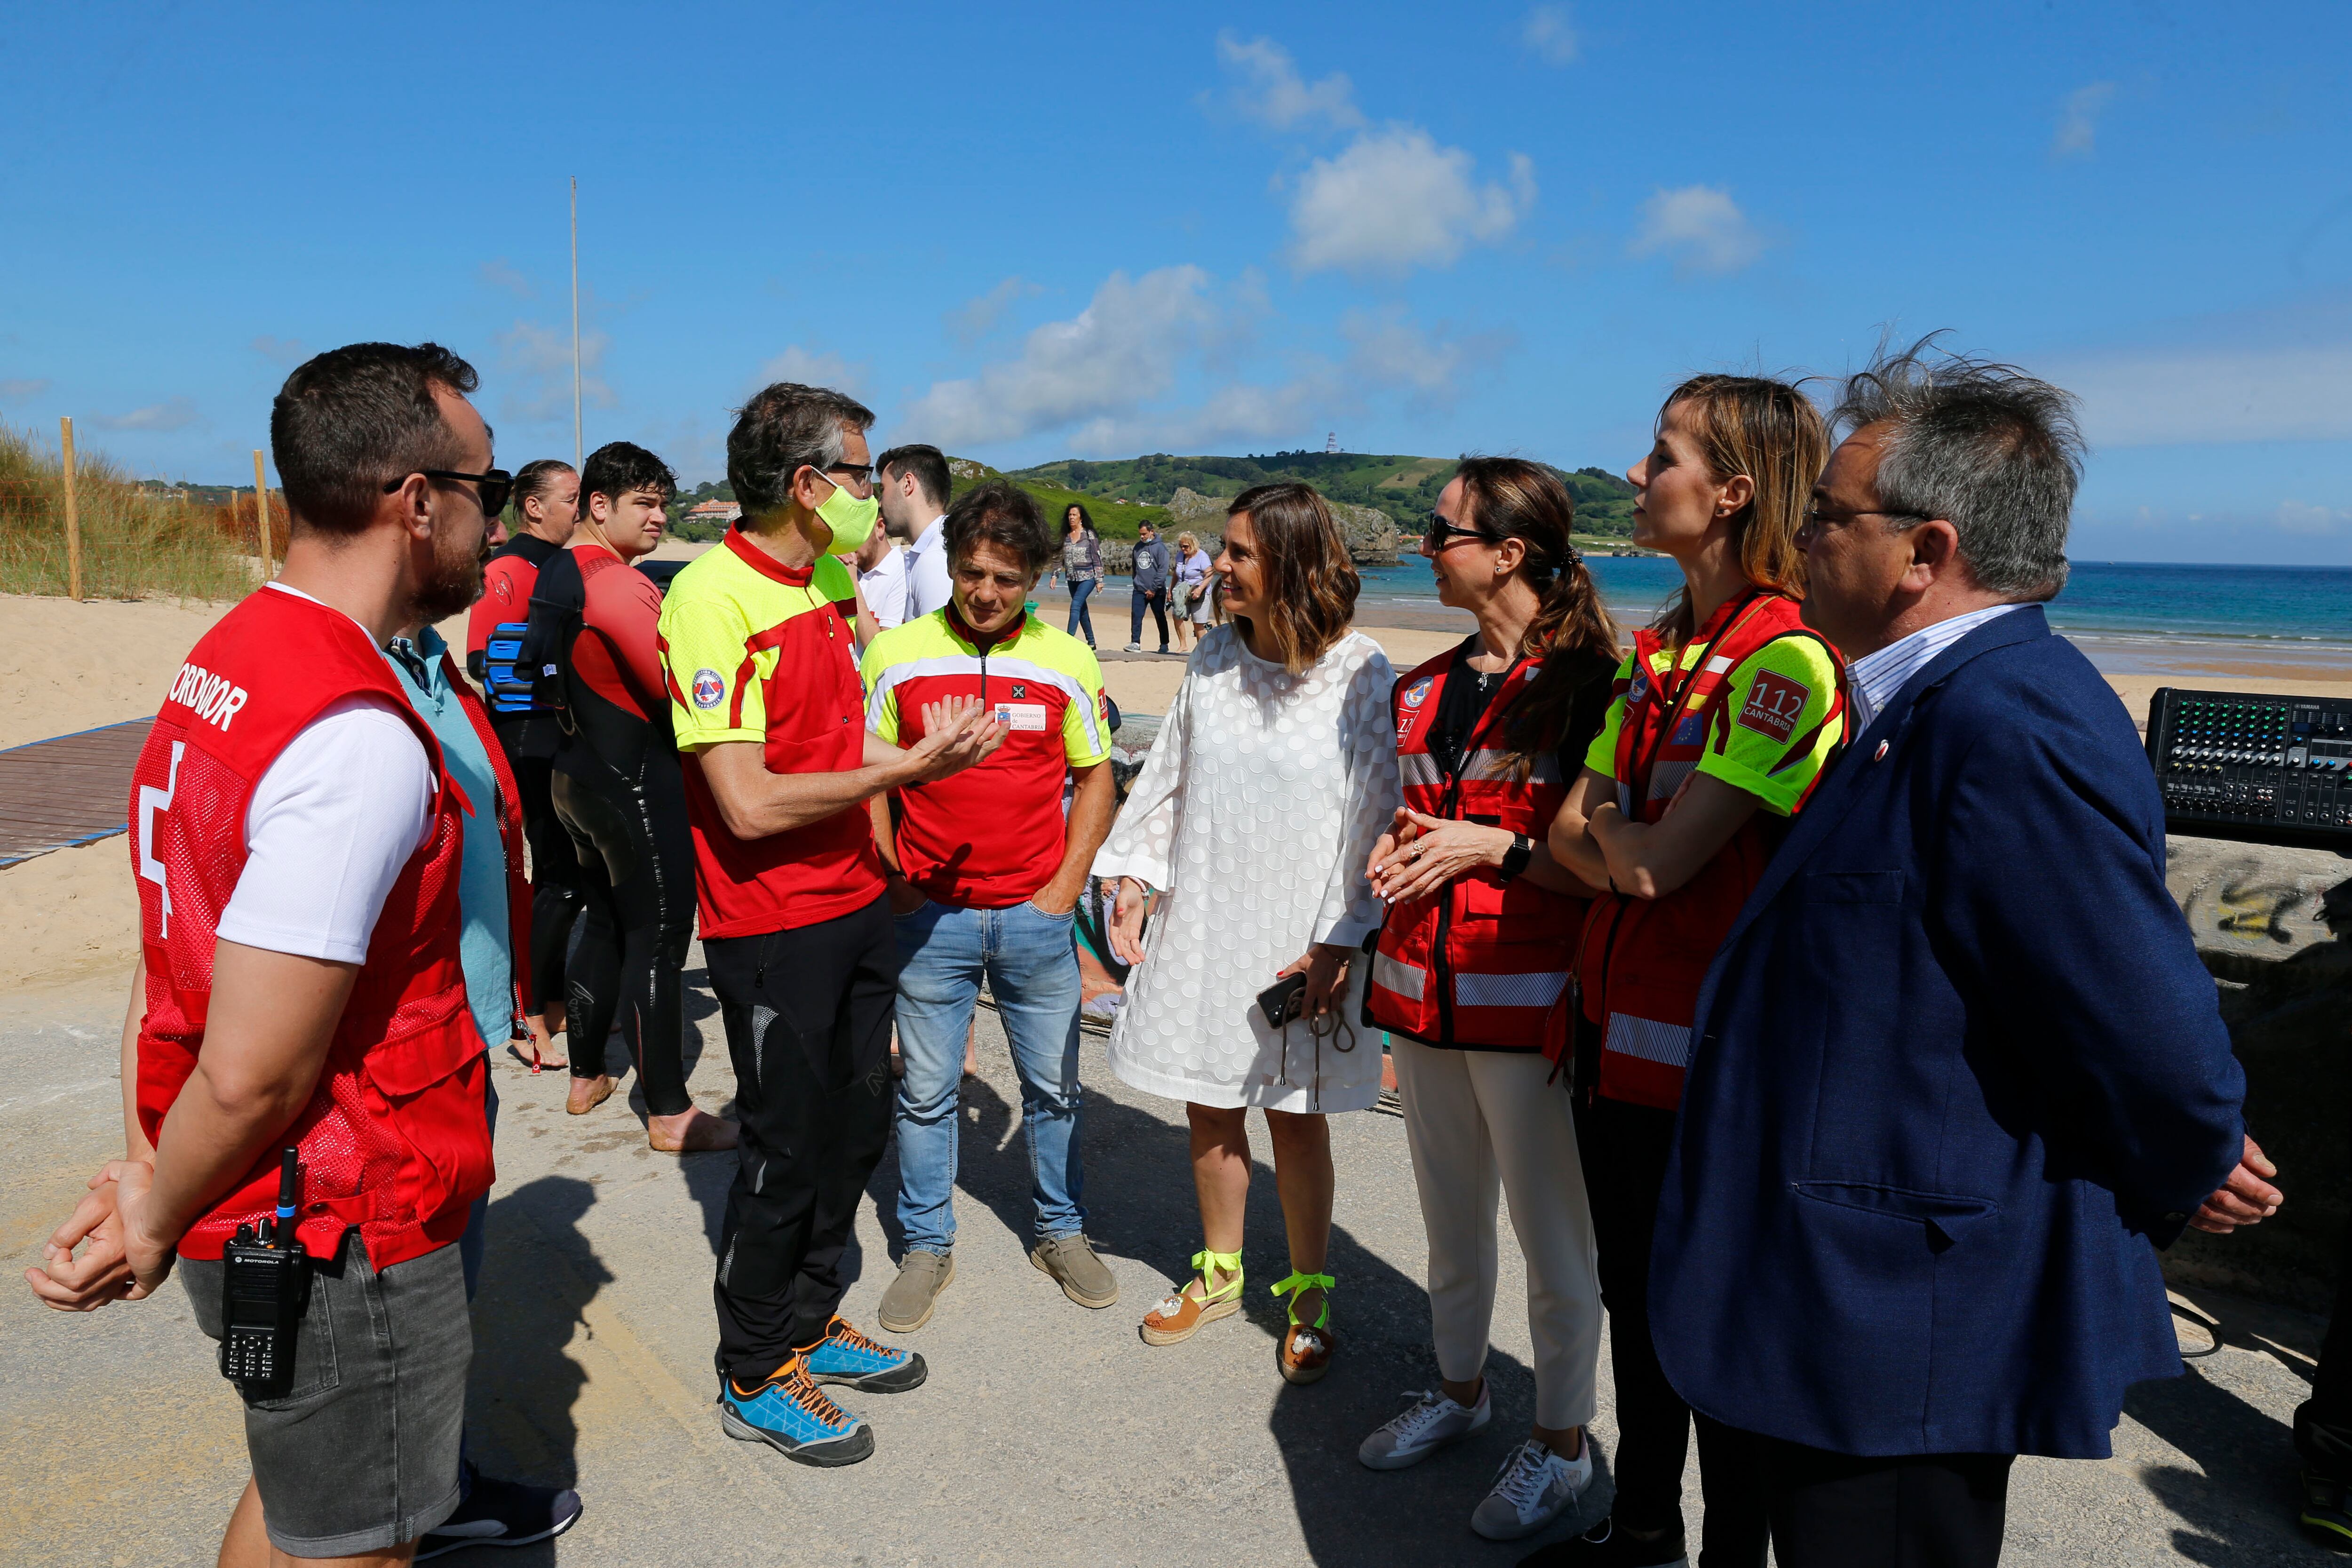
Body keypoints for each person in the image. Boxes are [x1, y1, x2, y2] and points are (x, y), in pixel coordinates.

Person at [1631, 342, 2263, 1568]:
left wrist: (2194, 1154)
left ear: (1925, 552)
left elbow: (2141, 1010)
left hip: (1903, 1309)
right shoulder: (1919, 703)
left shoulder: (2005, 720)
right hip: (1846, 1284)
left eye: (1827, 516)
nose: (1802, 535)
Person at [26, 341, 501, 1563]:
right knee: (361, 1538)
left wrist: (150, 1168)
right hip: (338, 1217)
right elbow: (255, 1071)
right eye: (483, 495)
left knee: (305, 1500)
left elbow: (170, 940)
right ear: (416, 503)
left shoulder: (230, 657)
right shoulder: (353, 736)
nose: (490, 528)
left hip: (246, 1199)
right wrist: (151, 1206)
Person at [657, 381, 1005, 1466]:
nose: (874, 490)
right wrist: (905, 765)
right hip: (774, 926)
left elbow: (835, 736)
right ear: (807, 485)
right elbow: (749, 801)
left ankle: (810, 1323)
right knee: (784, 1145)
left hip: (857, 901)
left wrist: (899, 818)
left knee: (857, 1126)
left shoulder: (816, 576)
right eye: (859, 474)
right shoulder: (711, 596)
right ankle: (753, 1370)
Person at [1528, 374, 1845, 1568]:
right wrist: (1617, 843)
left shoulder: (1788, 660)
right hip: (1615, 1047)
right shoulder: (1661, 648)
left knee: (1713, 1331)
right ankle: (1644, 1531)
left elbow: (1650, 862)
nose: (1635, 475)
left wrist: (1613, 841)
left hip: (1711, 1071)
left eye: (1661, 456)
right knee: (1638, 1314)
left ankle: (1725, 1555)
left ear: (1732, 492)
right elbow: (1574, 832)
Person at [1358, 459, 1618, 1542]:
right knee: (1449, 1227)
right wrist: (1394, 848)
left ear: (1508, 552)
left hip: (1532, 1012)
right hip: (1421, 1003)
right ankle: (1460, 1393)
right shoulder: (1414, 688)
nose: (1425, 545)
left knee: (1557, 1245)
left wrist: (1498, 847)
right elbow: (1409, 819)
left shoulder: (1597, 684)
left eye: (1441, 530)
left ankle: (1561, 1446)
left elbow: (1612, 864)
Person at [1095, 482, 1399, 1383]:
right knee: (1209, 1102)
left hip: (1302, 933)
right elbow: (1170, 778)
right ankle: (1220, 1270)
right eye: (1223, 551)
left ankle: (1309, 1290)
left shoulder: (1362, 669)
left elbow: (1373, 813)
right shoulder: (1216, 659)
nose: (1218, 567)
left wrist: (1340, 940)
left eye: (1238, 554)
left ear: (1296, 565)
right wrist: (1137, 879)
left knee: (1296, 1119)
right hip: (1211, 913)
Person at [863, 479, 1122, 1332]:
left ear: (1039, 578)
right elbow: (868, 775)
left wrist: (1063, 889)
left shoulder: (1067, 659)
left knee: (1054, 1090)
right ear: (951, 564)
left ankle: (1059, 1229)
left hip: (1035, 916)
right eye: (973, 573)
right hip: (927, 915)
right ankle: (926, 1245)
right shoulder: (895, 653)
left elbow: (1096, 779)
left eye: (1008, 580)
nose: (986, 594)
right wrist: (894, 875)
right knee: (928, 1092)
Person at [381, 605, 585, 1558]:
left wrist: (513, 998)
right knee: (404, 1311)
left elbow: (488, 833)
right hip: (402, 1052)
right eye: (478, 491)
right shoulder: (354, 671)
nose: (492, 521)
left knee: (444, 1290)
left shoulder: (430, 659)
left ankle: (433, 1484)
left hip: (461, 1025)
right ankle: (415, 1504)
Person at [523, 441, 736, 1153]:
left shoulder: (556, 570)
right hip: (632, 780)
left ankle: (586, 1076)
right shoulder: (616, 584)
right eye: (645, 503)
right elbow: (678, 688)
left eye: (663, 503)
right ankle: (670, 1111)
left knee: (609, 922)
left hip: (574, 772)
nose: (659, 517)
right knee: (663, 933)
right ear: (600, 505)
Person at [465, 457, 582, 1070]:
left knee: (572, 871)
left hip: (563, 739)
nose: (581, 507)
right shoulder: (509, 570)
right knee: (553, 870)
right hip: (526, 740)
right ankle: (528, 1014)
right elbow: (485, 660)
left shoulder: (566, 566)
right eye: (571, 497)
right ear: (533, 506)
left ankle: (556, 1000)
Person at [877, 442, 953, 620]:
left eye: (883, 490)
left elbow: (938, 644)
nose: (881, 503)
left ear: (907, 484)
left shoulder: (935, 558)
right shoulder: (941, 546)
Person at [1126, 517, 1171, 653]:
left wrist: (1153, 588)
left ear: (1152, 532)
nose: (1142, 537)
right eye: (1140, 534)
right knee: (1136, 615)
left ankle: (1164, 644)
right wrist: (1137, 582)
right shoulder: (1137, 547)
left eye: (1144, 534)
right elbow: (1135, 567)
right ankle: (1135, 643)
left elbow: (1163, 571)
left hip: (1157, 591)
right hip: (1140, 589)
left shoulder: (1161, 548)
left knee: (1160, 616)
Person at [1061, 502, 1102, 648]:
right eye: (1070, 515)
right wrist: (1054, 576)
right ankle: (1092, 643)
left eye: (1074, 515)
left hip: (1088, 577)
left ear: (1081, 518)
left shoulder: (1089, 535)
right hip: (1072, 578)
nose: (1071, 518)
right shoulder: (1066, 536)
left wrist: (1099, 580)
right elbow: (1061, 558)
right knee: (1082, 610)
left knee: (1076, 605)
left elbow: (1097, 557)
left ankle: (1069, 640)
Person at [855, 523, 908, 632]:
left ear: (880, 527)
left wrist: (852, 582)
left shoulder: (902, 571)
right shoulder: (850, 569)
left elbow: (885, 646)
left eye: (854, 533)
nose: (847, 544)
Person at [1171, 529, 1213, 653]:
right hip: (1183, 591)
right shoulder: (1180, 556)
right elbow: (1176, 574)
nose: (1183, 549)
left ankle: (1202, 650)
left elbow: (1210, 575)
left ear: (1193, 544)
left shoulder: (1202, 556)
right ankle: (1183, 644)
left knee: (1198, 623)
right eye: (1181, 546)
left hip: (1200, 592)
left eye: (1186, 546)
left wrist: (1200, 589)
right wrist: (1170, 591)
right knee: (1177, 616)